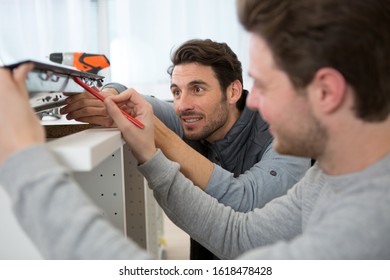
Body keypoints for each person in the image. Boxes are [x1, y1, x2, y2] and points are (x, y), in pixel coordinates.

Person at [1, 0, 390, 259]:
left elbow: (242, 205)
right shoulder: (331, 174)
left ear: (326, 91)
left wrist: (25, 163)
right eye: (176, 92)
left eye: (266, 86)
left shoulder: (364, 229)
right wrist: (148, 151)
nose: (254, 101)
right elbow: (241, 237)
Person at [60, 39, 311, 259]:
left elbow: (245, 204)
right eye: (176, 92)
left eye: (197, 89)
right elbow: (132, 98)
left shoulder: (287, 135)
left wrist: (160, 136)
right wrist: (109, 96)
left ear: (233, 91)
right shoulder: (196, 120)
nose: (183, 105)